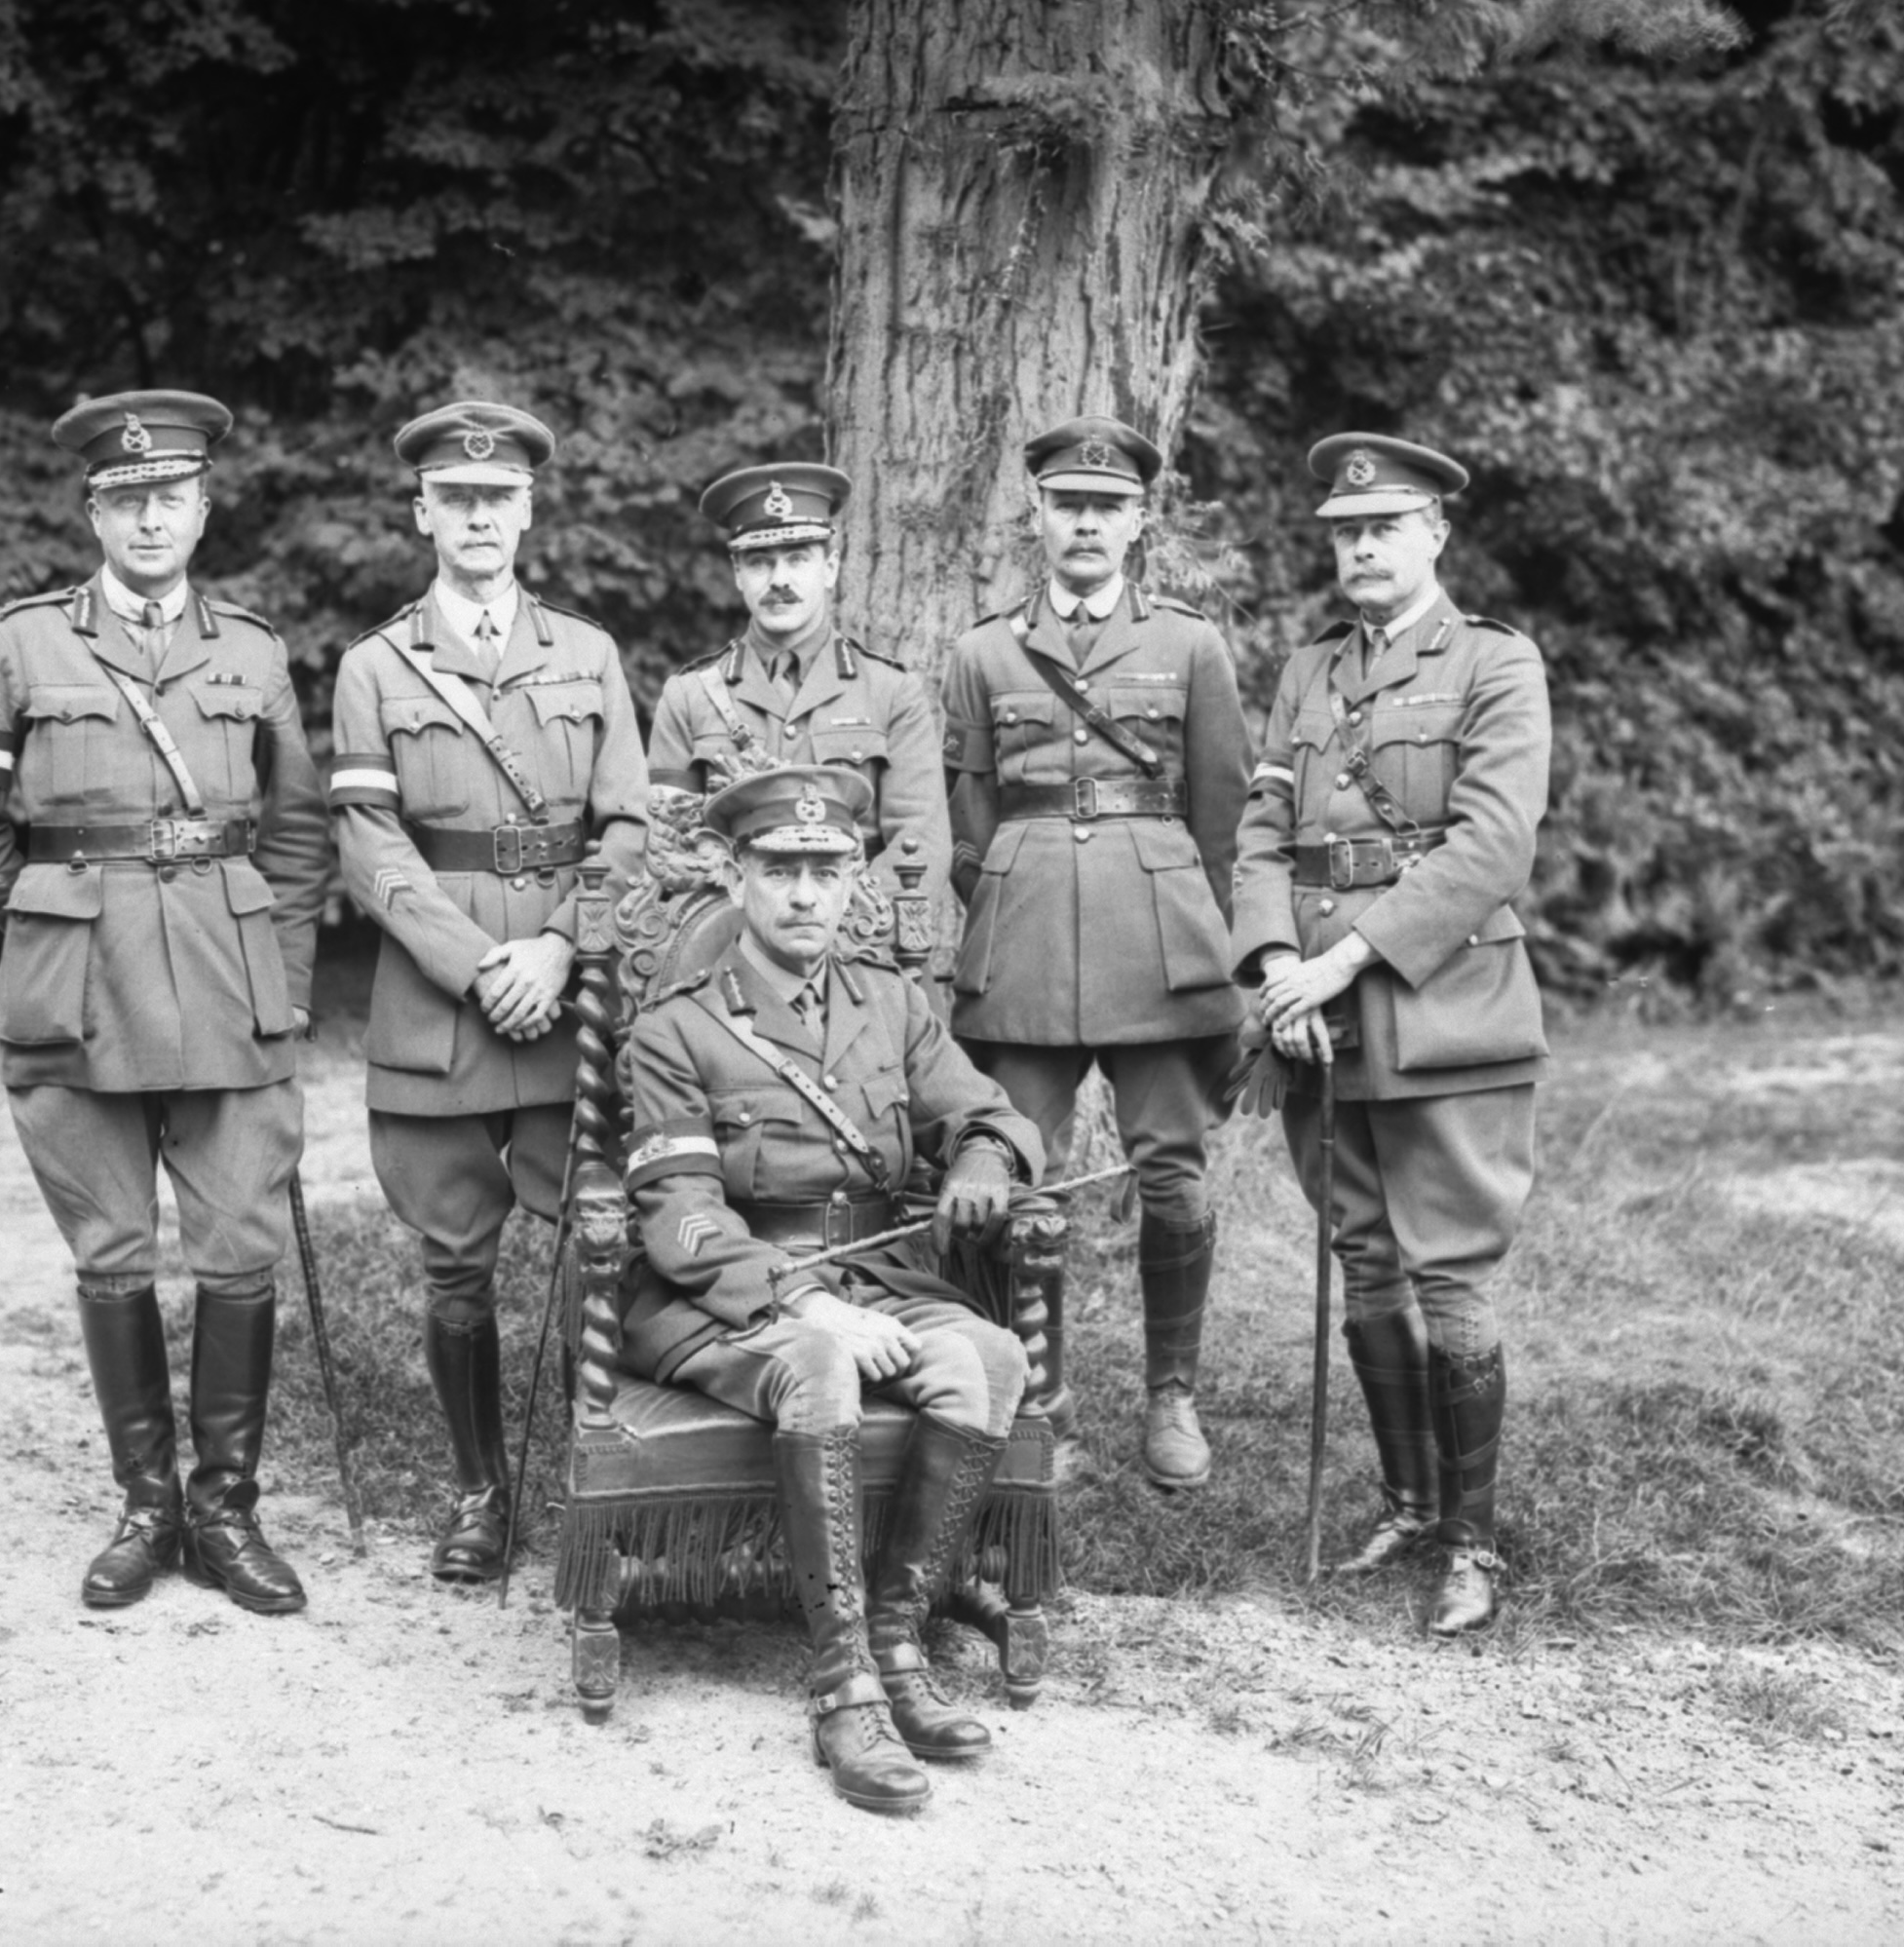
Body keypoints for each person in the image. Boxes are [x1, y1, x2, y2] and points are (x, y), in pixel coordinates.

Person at [0, 390, 333, 1616]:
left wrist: (286, 977)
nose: (148, 519)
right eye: (124, 498)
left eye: (170, 498)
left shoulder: (252, 649)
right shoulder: (21, 645)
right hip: (78, 998)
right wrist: (49, 923)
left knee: (237, 1247)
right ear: (90, 510)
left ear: (203, 509)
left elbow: (298, 825)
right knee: (110, 1252)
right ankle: (146, 1509)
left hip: (229, 986)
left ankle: (226, 1512)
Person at [619, 764, 1046, 1815]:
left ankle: (899, 1645)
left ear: (853, 876)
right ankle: (842, 1680)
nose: (804, 894)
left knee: (986, 1356)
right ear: (735, 877)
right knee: (815, 1365)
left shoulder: (890, 1003)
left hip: (878, 1271)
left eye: (826, 868)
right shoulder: (674, 1030)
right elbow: (679, 1213)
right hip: (723, 1293)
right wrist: (806, 1306)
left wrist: (982, 1164)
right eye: (779, 869)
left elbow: (986, 1113)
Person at [1232, 432, 1551, 1636]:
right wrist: (1272, 968)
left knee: (1449, 1271)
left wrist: (1337, 964)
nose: (1359, 548)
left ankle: (1472, 1541)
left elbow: (1490, 846)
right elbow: (1261, 833)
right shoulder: (1307, 674)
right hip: (1317, 1015)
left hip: (1442, 1003)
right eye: (1343, 532)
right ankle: (1409, 1505)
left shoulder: (1491, 666)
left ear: (1433, 536)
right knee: (1363, 1259)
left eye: (1382, 528)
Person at [325, 401, 649, 1583]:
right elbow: (371, 846)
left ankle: (593, 1490)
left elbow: (627, 830)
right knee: (454, 1263)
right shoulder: (374, 665)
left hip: (569, 1004)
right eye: (454, 498)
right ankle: (478, 1493)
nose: (476, 515)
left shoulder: (588, 654)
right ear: (423, 514)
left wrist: (561, 950)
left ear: (526, 511)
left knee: (590, 1254)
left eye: (496, 497)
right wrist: (479, 967)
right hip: (441, 1005)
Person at [938, 414, 1253, 1489]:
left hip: (1160, 940)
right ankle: (1042, 1394)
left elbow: (1222, 821)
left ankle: (1172, 1394)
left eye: (1106, 508)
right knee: (1024, 1173)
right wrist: (995, 921)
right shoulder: (982, 651)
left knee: (1172, 1171)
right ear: (1037, 518)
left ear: (1137, 524)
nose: (1085, 524)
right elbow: (965, 821)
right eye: (1067, 505)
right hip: (1021, 940)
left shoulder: (1188, 645)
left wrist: (1225, 957)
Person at [645, 462, 942, 864]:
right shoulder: (689, 698)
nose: (778, 580)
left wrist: (844, 925)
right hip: (729, 919)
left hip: (860, 920)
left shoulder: (891, 693)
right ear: (737, 573)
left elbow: (919, 847)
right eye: (759, 562)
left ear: (830, 569)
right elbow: (670, 851)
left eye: (798, 559)